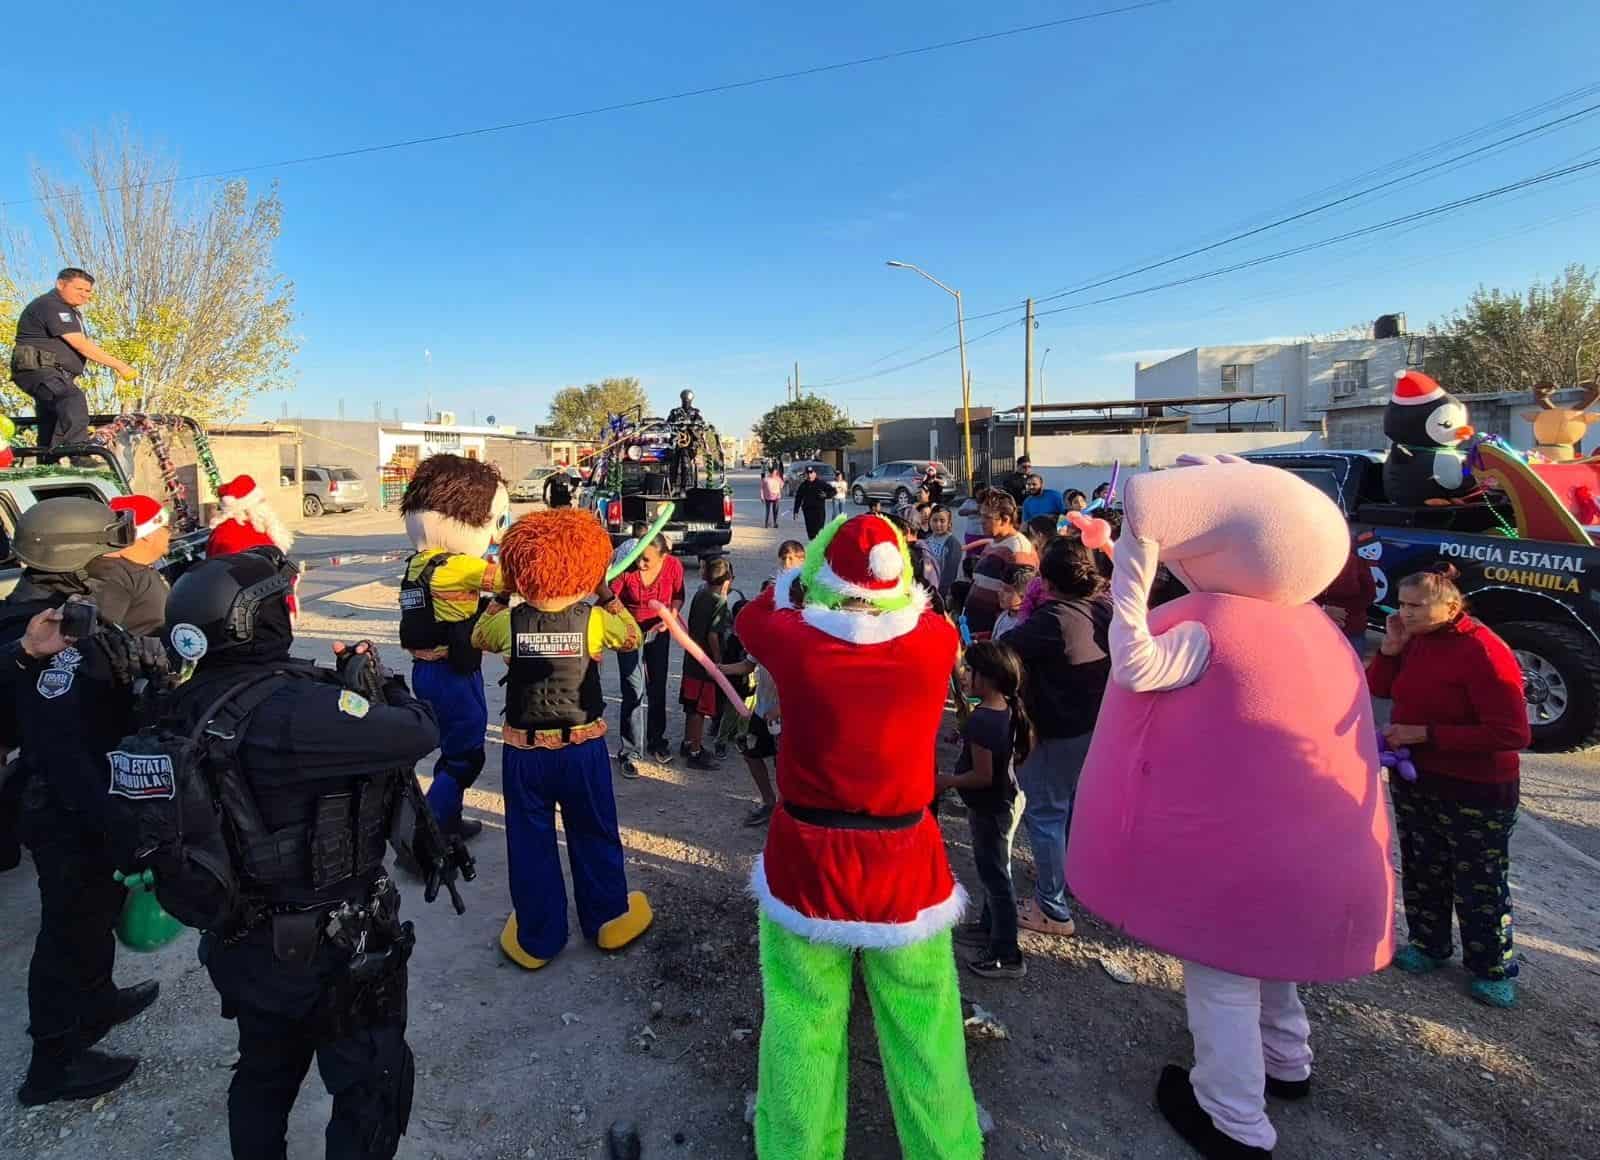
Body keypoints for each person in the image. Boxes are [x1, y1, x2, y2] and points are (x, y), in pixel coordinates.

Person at [1064, 458, 1394, 1160]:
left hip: (1236, 854)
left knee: (1222, 981)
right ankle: (1289, 1062)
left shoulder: (1209, 626)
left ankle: (1233, 1118)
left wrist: (1132, 564)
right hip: (1318, 845)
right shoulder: (1318, 631)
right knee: (1271, 959)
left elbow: (1135, 665)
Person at [159, 548, 445, 1157]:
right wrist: (384, 684)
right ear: (252, 622)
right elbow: (419, 733)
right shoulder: (297, 709)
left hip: (242, 941)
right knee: (372, 1083)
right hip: (333, 947)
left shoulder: (180, 703)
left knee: (262, 1074)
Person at [737, 514, 982, 1157]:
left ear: (822, 568)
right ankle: (948, 1148)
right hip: (905, 861)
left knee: (801, 1023)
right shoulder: (930, 641)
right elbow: (924, 604)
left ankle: (795, 1148)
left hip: (808, 859)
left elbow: (756, 614)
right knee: (925, 1029)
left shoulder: (795, 642)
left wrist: (797, 579)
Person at [3, 498, 164, 1106]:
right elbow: (66, 744)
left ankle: (97, 1001)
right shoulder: (47, 629)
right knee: (66, 930)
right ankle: (53, 1063)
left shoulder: (54, 610)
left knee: (95, 913)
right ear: (73, 552)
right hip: (70, 805)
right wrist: (115, 822)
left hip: (76, 794)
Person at [475, 510, 653, 970]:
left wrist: (500, 594)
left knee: (529, 842)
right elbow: (633, 637)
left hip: (523, 750)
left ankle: (538, 937)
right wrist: (607, 594)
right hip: (583, 747)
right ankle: (609, 919)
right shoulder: (593, 619)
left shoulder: (506, 625)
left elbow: (477, 635)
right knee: (594, 831)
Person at [1367, 564, 1529, 1008]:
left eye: (1418, 606)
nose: (1407, 613)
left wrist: (1427, 734)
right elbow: (1378, 687)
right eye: (1401, 604)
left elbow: (1512, 733)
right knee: (1423, 866)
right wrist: (1391, 650)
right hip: (1418, 779)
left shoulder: (1483, 650)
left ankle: (1492, 965)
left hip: (1476, 787)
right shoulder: (1414, 641)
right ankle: (1428, 944)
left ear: (1452, 605)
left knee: (1479, 880)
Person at [1002, 537, 1111, 939]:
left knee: (1046, 813)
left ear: (1048, 581)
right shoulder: (1103, 607)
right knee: (1068, 809)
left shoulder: (1056, 619)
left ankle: (1052, 908)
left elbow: (1004, 648)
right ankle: (1065, 879)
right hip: (1088, 726)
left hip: (1057, 728)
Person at [397, 455, 511, 837]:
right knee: (465, 753)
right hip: (453, 672)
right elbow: (514, 580)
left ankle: (447, 819)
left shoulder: (417, 562)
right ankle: (430, 830)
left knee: (452, 747)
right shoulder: (462, 565)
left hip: (425, 669)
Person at [939, 640, 1031, 980]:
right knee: (993, 873)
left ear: (988, 678)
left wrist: (946, 780)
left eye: (970, 671)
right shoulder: (1005, 706)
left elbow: (981, 776)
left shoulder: (982, 721)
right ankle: (989, 927)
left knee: (996, 879)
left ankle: (1007, 953)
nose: (963, 676)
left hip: (992, 810)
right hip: (1005, 801)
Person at [9, 268, 136, 453]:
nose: (85, 295)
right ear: (61, 284)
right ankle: (77, 451)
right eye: (79, 289)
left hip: (53, 374)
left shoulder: (69, 310)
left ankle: (47, 466)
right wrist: (120, 366)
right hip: (39, 370)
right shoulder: (52, 305)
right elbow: (80, 344)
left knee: (53, 420)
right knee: (72, 398)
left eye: (88, 291)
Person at [612, 535, 685, 775]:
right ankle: (630, 750)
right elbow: (609, 597)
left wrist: (671, 616)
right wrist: (625, 625)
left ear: (663, 557)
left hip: (658, 630)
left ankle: (657, 741)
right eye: (639, 557)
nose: (640, 563)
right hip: (628, 631)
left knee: (657, 685)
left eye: (646, 560)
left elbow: (678, 595)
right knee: (633, 688)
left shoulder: (673, 566)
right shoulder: (627, 565)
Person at [89, 494, 173, 635]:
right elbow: (98, 641)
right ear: (148, 534)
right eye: (167, 528)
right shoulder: (111, 576)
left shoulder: (134, 568)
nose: (171, 533)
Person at [680, 556, 734, 771]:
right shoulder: (719, 601)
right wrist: (718, 660)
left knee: (690, 705)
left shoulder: (701, 592)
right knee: (699, 710)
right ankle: (695, 750)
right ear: (727, 580)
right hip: (704, 663)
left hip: (691, 658)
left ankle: (687, 743)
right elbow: (713, 634)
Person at [964, 492, 1039, 637]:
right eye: (981, 515)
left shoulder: (1018, 550)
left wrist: (993, 633)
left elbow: (1020, 600)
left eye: (987, 517)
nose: (981, 521)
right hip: (978, 626)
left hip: (996, 629)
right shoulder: (994, 541)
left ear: (1005, 519)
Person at [1319, 544, 1377, 652]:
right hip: (1319, 625)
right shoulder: (1312, 562)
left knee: (1352, 665)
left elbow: (1370, 593)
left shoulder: (1357, 562)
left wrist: (1344, 612)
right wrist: (1323, 609)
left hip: (1352, 627)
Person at [990, 565, 1035, 639]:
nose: (1000, 592)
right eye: (1000, 587)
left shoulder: (1024, 626)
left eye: (1007, 590)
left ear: (1024, 596)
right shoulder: (1004, 614)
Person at [926, 506, 961, 597]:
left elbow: (950, 574)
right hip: (925, 588)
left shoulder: (952, 544)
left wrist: (939, 594)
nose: (938, 524)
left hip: (940, 592)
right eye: (934, 520)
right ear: (929, 521)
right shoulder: (927, 540)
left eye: (942, 521)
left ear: (949, 523)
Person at [791, 465, 833, 539]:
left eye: (811, 473)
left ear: (815, 474)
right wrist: (796, 511)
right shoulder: (803, 485)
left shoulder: (821, 483)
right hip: (808, 511)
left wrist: (826, 495)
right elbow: (798, 498)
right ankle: (813, 545)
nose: (809, 475)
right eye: (808, 473)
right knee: (811, 532)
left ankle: (819, 547)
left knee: (819, 531)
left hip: (819, 511)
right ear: (806, 475)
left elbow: (833, 491)